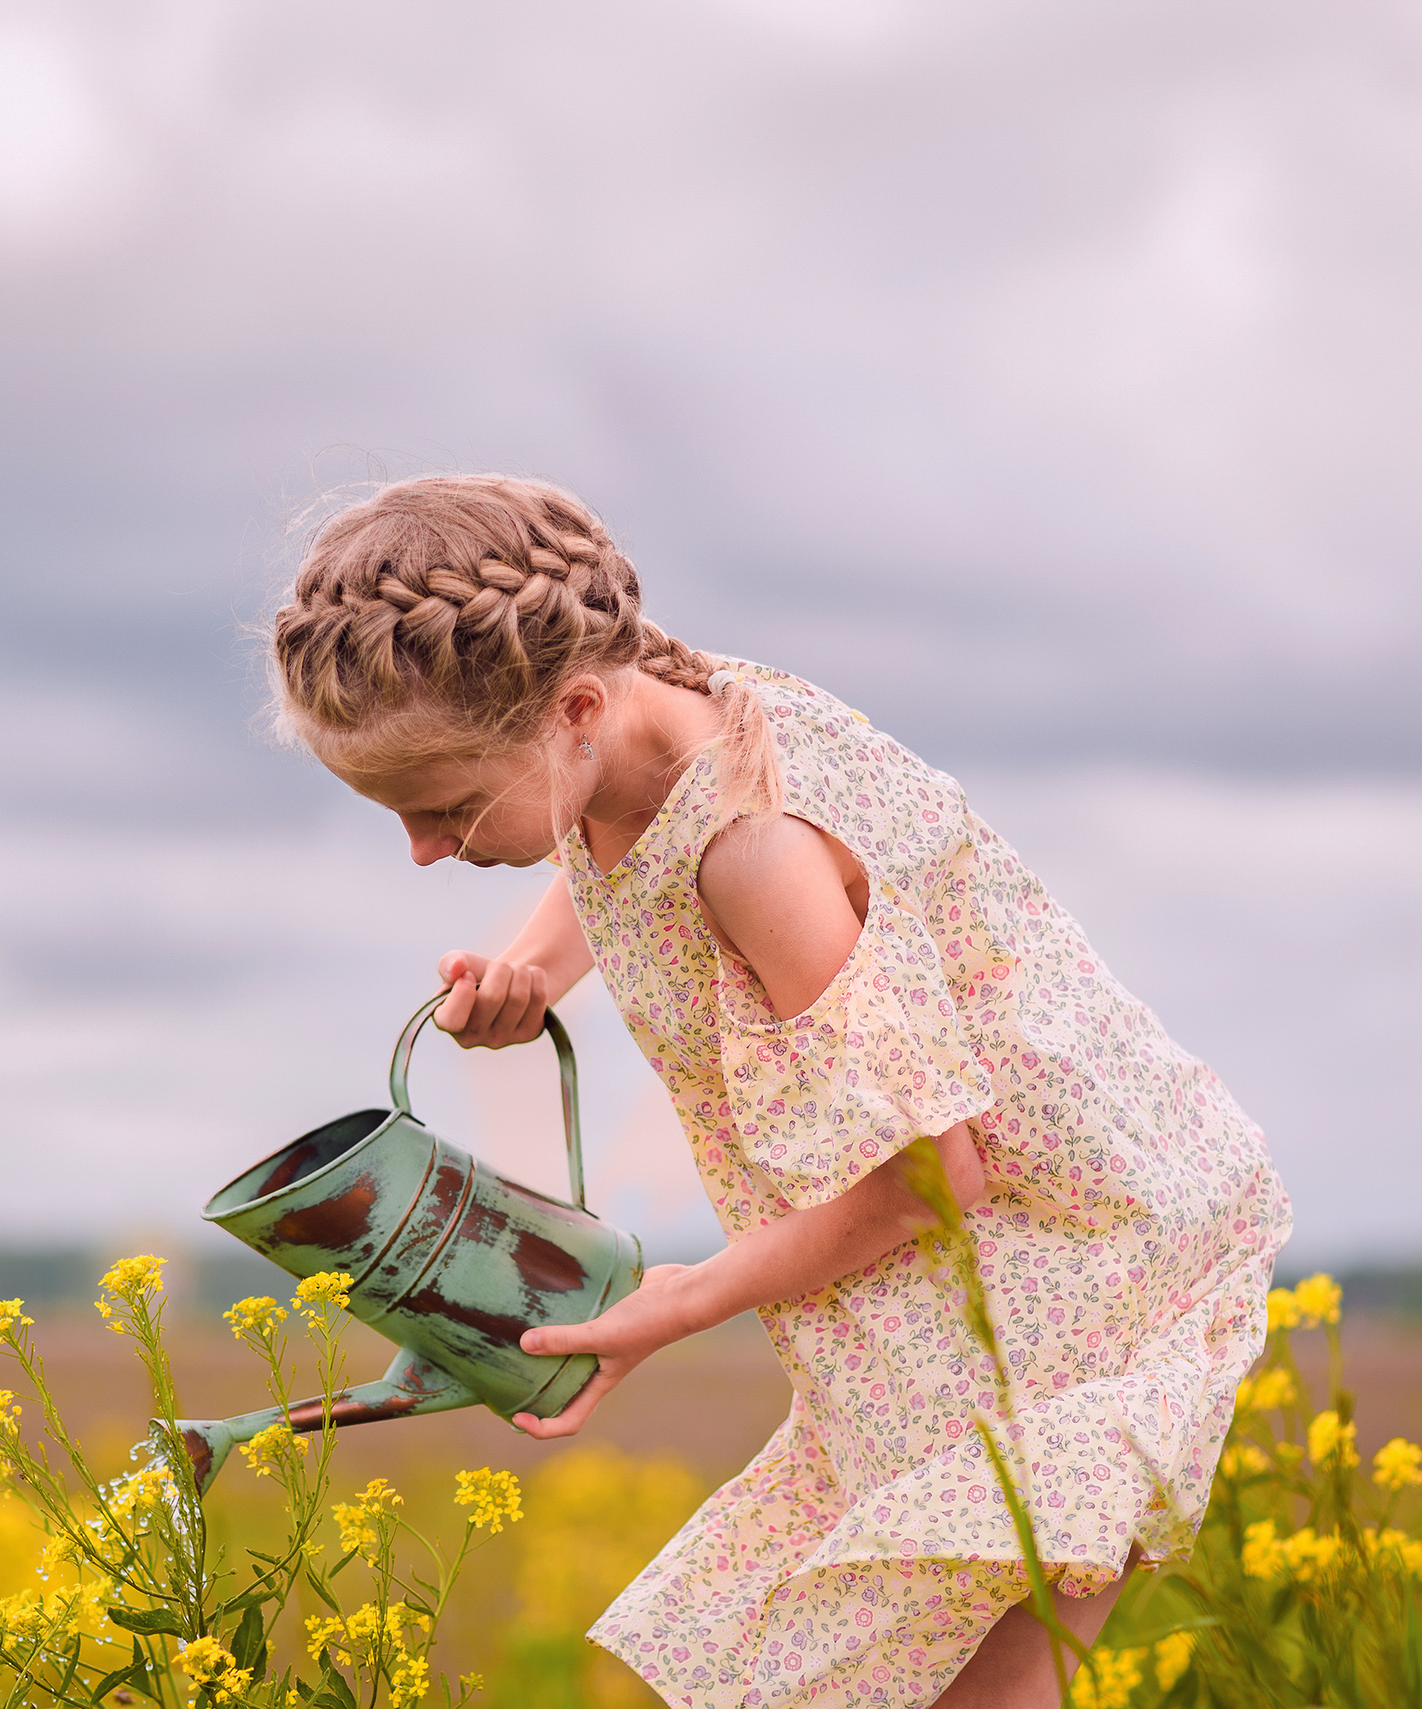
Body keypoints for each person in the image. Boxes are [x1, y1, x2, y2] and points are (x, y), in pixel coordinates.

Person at [267, 475, 1291, 1708]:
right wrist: (533, 971)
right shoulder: (657, 707)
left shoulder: (755, 849)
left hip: (1076, 1269)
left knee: (976, 1684)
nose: (424, 850)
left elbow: (930, 1177)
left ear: (575, 710)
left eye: (442, 808)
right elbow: (617, 838)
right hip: (966, 1269)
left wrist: (679, 1300)